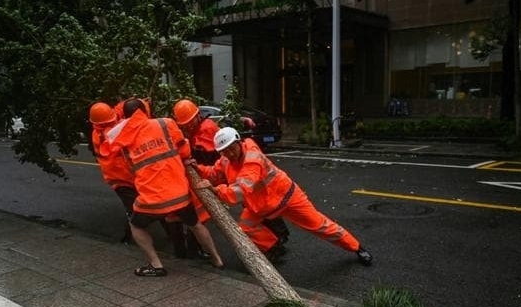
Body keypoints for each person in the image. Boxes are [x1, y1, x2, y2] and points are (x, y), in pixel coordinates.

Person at [193, 126, 373, 266]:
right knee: (245, 228)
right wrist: (196, 168)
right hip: (261, 206)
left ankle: (356, 248)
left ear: (239, 142)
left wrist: (217, 191)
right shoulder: (226, 160)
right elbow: (214, 173)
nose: (229, 154)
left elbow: (241, 190)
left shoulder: (253, 158)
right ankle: (273, 246)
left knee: (320, 225)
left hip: (287, 199)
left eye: (231, 149)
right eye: (224, 151)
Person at [100, 98, 224, 276]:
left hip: (152, 200)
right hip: (179, 193)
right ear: (145, 110)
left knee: (135, 225)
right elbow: (184, 151)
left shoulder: (124, 141)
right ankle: (217, 259)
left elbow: (130, 168)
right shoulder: (166, 123)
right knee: (196, 224)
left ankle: (156, 265)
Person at [172, 99, 290, 255]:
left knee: (256, 205)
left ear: (197, 116)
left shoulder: (206, 129)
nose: (188, 126)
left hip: (227, 172)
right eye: (185, 124)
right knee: (254, 206)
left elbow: (210, 155)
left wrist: (207, 173)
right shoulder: (196, 131)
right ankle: (277, 238)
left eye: (190, 122)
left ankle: (277, 238)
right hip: (224, 170)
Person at [88, 101, 137, 244]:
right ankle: (128, 238)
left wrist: (137, 102)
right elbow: (127, 125)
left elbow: (119, 110)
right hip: (121, 181)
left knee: (150, 204)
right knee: (134, 210)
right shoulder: (104, 136)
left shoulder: (104, 124)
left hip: (130, 177)